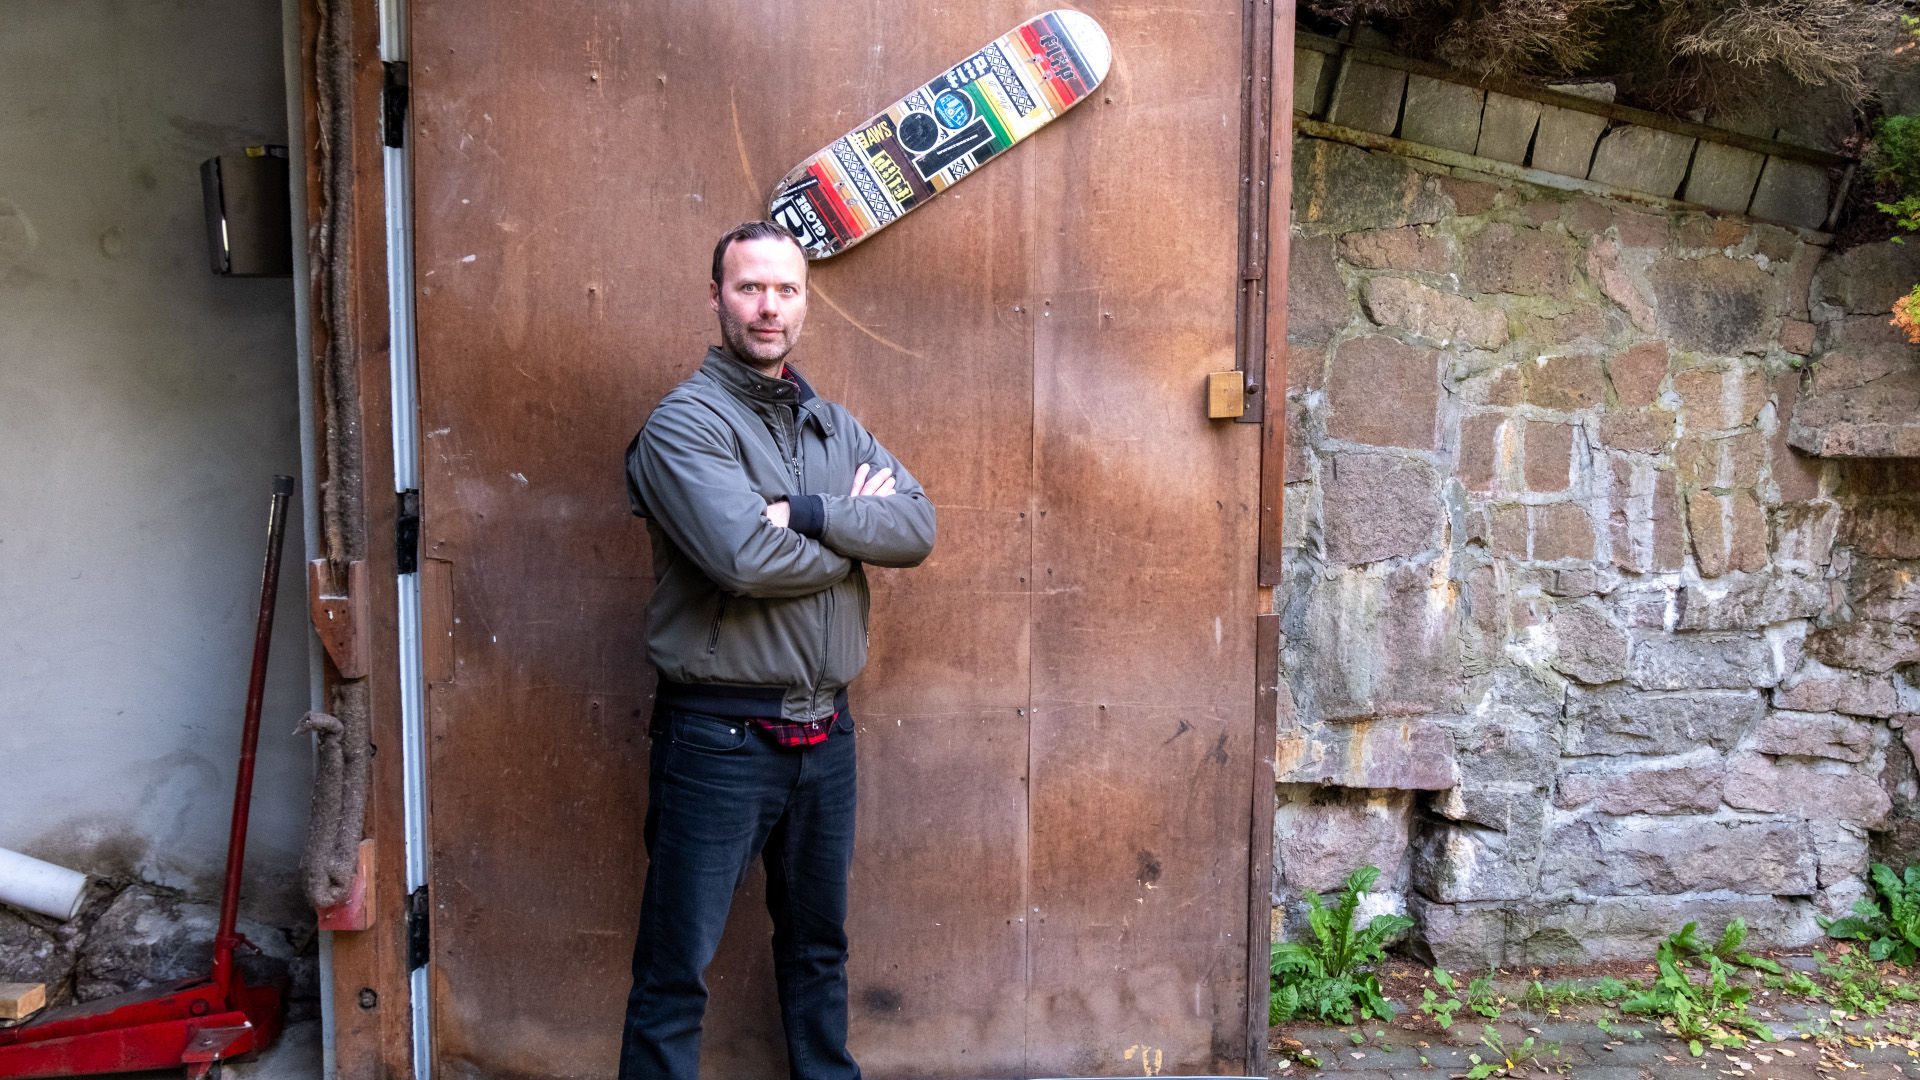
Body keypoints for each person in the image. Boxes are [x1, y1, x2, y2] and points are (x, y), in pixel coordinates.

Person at [619, 220, 936, 1080]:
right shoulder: (684, 424)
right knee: (675, 972)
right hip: (718, 739)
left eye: (786, 290)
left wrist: (804, 512)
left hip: (825, 735)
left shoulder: (833, 426)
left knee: (817, 951)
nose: (769, 307)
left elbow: (916, 526)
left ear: (805, 303)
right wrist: (852, 529)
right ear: (717, 296)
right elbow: (741, 560)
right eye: (750, 288)